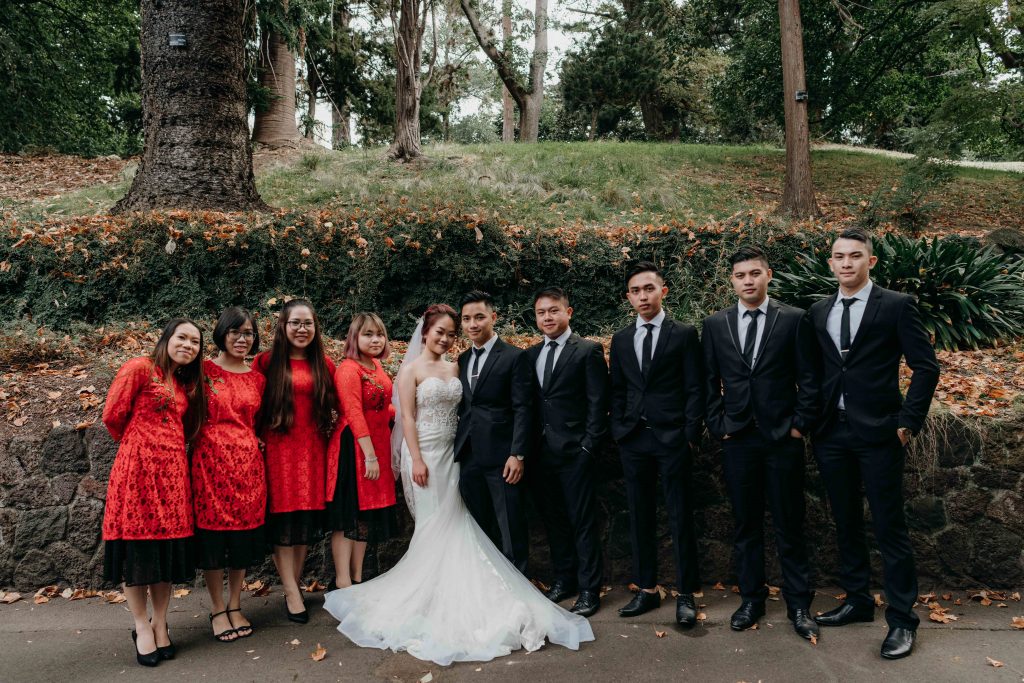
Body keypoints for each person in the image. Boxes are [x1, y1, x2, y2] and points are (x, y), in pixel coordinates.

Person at [324, 305, 593, 665]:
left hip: (455, 456)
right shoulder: (411, 370)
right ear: (425, 333)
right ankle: (428, 597)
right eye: (440, 332)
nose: (447, 338)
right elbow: (405, 419)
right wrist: (416, 459)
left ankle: (464, 591)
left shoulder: (458, 365)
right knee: (432, 525)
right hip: (425, 456)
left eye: (451, 333)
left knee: (457, 522)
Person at [809, 227, 939, 660]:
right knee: (844, 520)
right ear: (830, 263)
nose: (846, 263)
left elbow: (925, 367)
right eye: (839, 256)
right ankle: (858, 600)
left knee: (888, 527)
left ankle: (902, 620)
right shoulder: (819, 310)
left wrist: (908, 421)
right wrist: (811, 420)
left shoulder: (897, 306)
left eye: (855, 256)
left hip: (880, 432)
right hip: (832, 433)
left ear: (871, 262)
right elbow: (814, 371)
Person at [702, 246, 819, 640]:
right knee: (745, 523)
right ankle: (751, 598)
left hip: (782, 438)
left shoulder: (794, 319)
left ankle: (799, 603)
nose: (748, 281)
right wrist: (719, 424)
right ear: (732, 280)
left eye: (755, 273)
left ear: (769, 275)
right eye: (740, 275)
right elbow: (708, 382)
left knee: (790, 523)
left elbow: (810, 378)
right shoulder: (716, 324)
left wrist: (799, 425)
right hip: (737, 439)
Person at [101, 318, 205, 667]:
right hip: (138, 473)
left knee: (165, 552)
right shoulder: (139, 368)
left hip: (173, 476)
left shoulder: (180, 382)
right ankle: (140, 626)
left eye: (195, 342)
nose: (188, 346)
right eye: (183, 338)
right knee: (138, 552)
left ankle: (161, 623)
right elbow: (112, 416)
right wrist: (139, 446)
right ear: (167, 338)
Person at [609, 262, 703, 626]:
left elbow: (695, 388)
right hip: (634, 438)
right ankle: (646, 590)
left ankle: (686, 594)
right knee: (639, 515)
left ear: (663, 291)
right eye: (635, 291)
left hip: (672, 437)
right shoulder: (620, 339)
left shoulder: (683, 334)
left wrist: (690, 435)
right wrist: (620, 428)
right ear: (628, 297)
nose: (642, 296)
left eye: (649, 288)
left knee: (680, 515)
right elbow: (618, 389)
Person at [526, 287, 608, 617]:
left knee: (582, 521)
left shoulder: (587, 351)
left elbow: (598, 404)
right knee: (554, 521)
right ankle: (564, 579)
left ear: (568, 312)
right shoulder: (530, 355)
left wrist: (589, 446)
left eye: (553, 311)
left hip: (576, 452)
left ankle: (590, 589)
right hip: (540, 454)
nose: (547, 317)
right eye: (541, 312)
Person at [254, 299, 337, 624]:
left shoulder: (324, 365)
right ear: (283, 326)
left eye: (308, 324)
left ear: (315, 328)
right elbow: (250, 402)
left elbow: (344, 404)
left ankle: (295, 583)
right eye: (295, 323)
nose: (302, 329)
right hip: (278, 450)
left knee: (303, 522)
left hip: (313, 450)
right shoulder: (266, 362)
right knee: (283, 522)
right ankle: (291, 590)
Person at [191, 307, 266, 643]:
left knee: (241, 540)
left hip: (248, 466)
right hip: (210, 464)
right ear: (222, 333)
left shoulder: (258, 378)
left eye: (248, 333)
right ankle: (218, 608)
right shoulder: (203, 371)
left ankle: (236, 604)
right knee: (213, 540)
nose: (242, 338)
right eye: (235, 332)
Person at [453, 291, 534, 574]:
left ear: (493, 318)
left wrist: (518, 453)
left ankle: (519, 588)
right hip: (469, 454)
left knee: (510, 525)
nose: (473, 324)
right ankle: (488, 585)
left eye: (479, 317)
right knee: (478, 526)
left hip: (503, 457)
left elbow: (524, 408)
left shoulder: (514, 357)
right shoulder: (461, 360)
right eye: (466, 319)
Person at [326, 312, 398, 590]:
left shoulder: (376, 366)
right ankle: (342, 581)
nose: (376, 339)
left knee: (364, 516)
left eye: (379, 334)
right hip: (355, 447)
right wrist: (370, 455)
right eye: (368, 334)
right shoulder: (349, 369)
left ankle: (357, 577)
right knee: (348, 516)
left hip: (377, 443)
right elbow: (354, 413)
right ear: (354, 337)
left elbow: (382, 407)